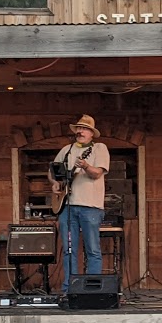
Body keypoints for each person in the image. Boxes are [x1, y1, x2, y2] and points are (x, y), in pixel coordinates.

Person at [52, 114, 111, 292]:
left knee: (92, 249)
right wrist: (55, 182)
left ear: (92, 133)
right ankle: (70, 288)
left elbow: (97, 173)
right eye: (78, 128)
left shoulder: (99, 148)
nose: (80, 131)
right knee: (69, 249)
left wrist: (85, 166)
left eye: (84, 129)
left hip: (90, 207)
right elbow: (52, 170)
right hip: (67, 206)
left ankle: (92, 289)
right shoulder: (67, 150)